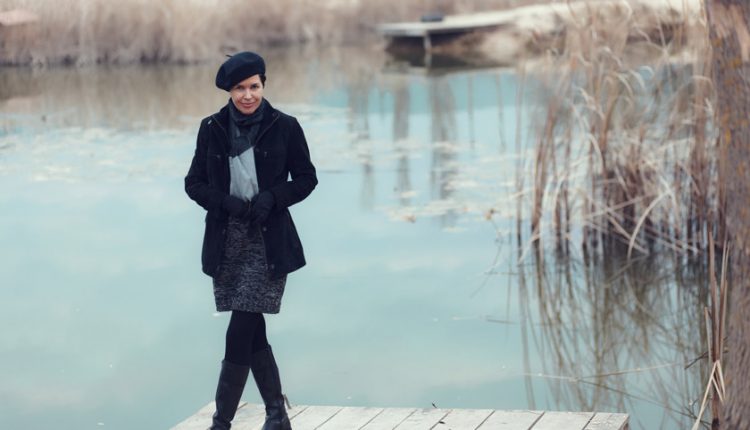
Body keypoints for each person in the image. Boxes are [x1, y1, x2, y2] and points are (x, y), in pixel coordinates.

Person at [184, 51, 317, 430]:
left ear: (264, 84)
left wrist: (273, 198)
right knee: (251, 325)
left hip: (269, 239)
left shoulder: (285, 126)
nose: (247, 95)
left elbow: (307, 178)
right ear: (229, 91)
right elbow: (193, 183)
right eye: (240, 88)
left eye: (254, 86)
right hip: (227, 238)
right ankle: (276, 415)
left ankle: (221, 422)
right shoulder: (211, 127)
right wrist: (225, 203)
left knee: (242, 323)